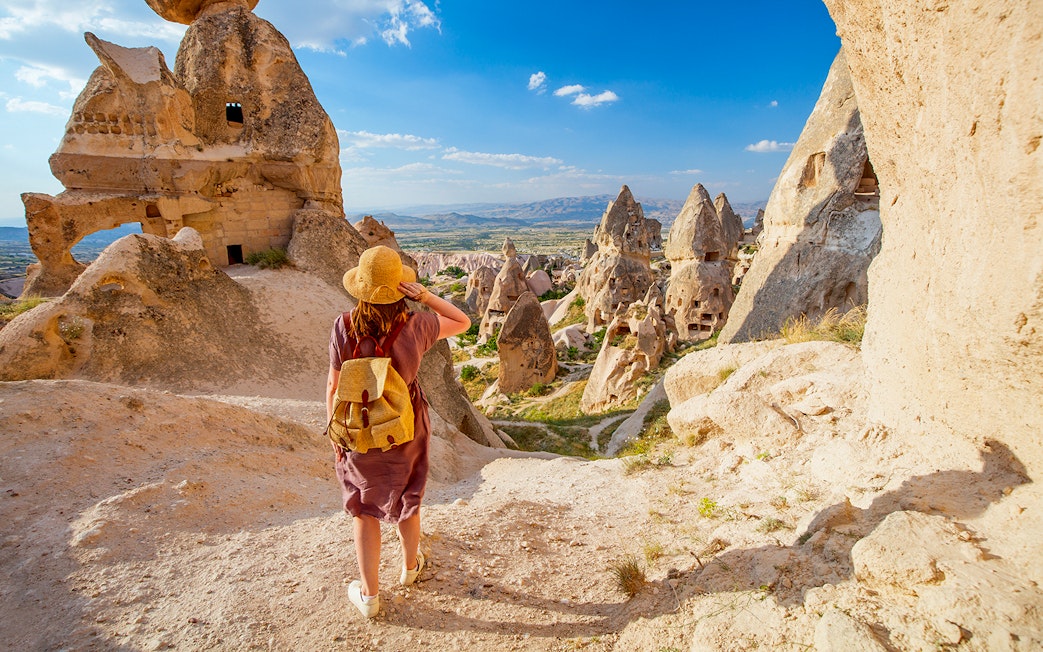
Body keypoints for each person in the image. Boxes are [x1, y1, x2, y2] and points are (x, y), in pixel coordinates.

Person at [327, 245, 470, 619]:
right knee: (408, 495)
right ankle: (410, 568)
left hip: (358, 429)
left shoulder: (343, 326)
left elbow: (333, 386)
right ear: (400, 288)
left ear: (360, 288)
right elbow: (462, 322)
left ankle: (370, 596)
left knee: (364, 508)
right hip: (405, 427)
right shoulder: (418, 325)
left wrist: (336, 436)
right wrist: (424, 296)